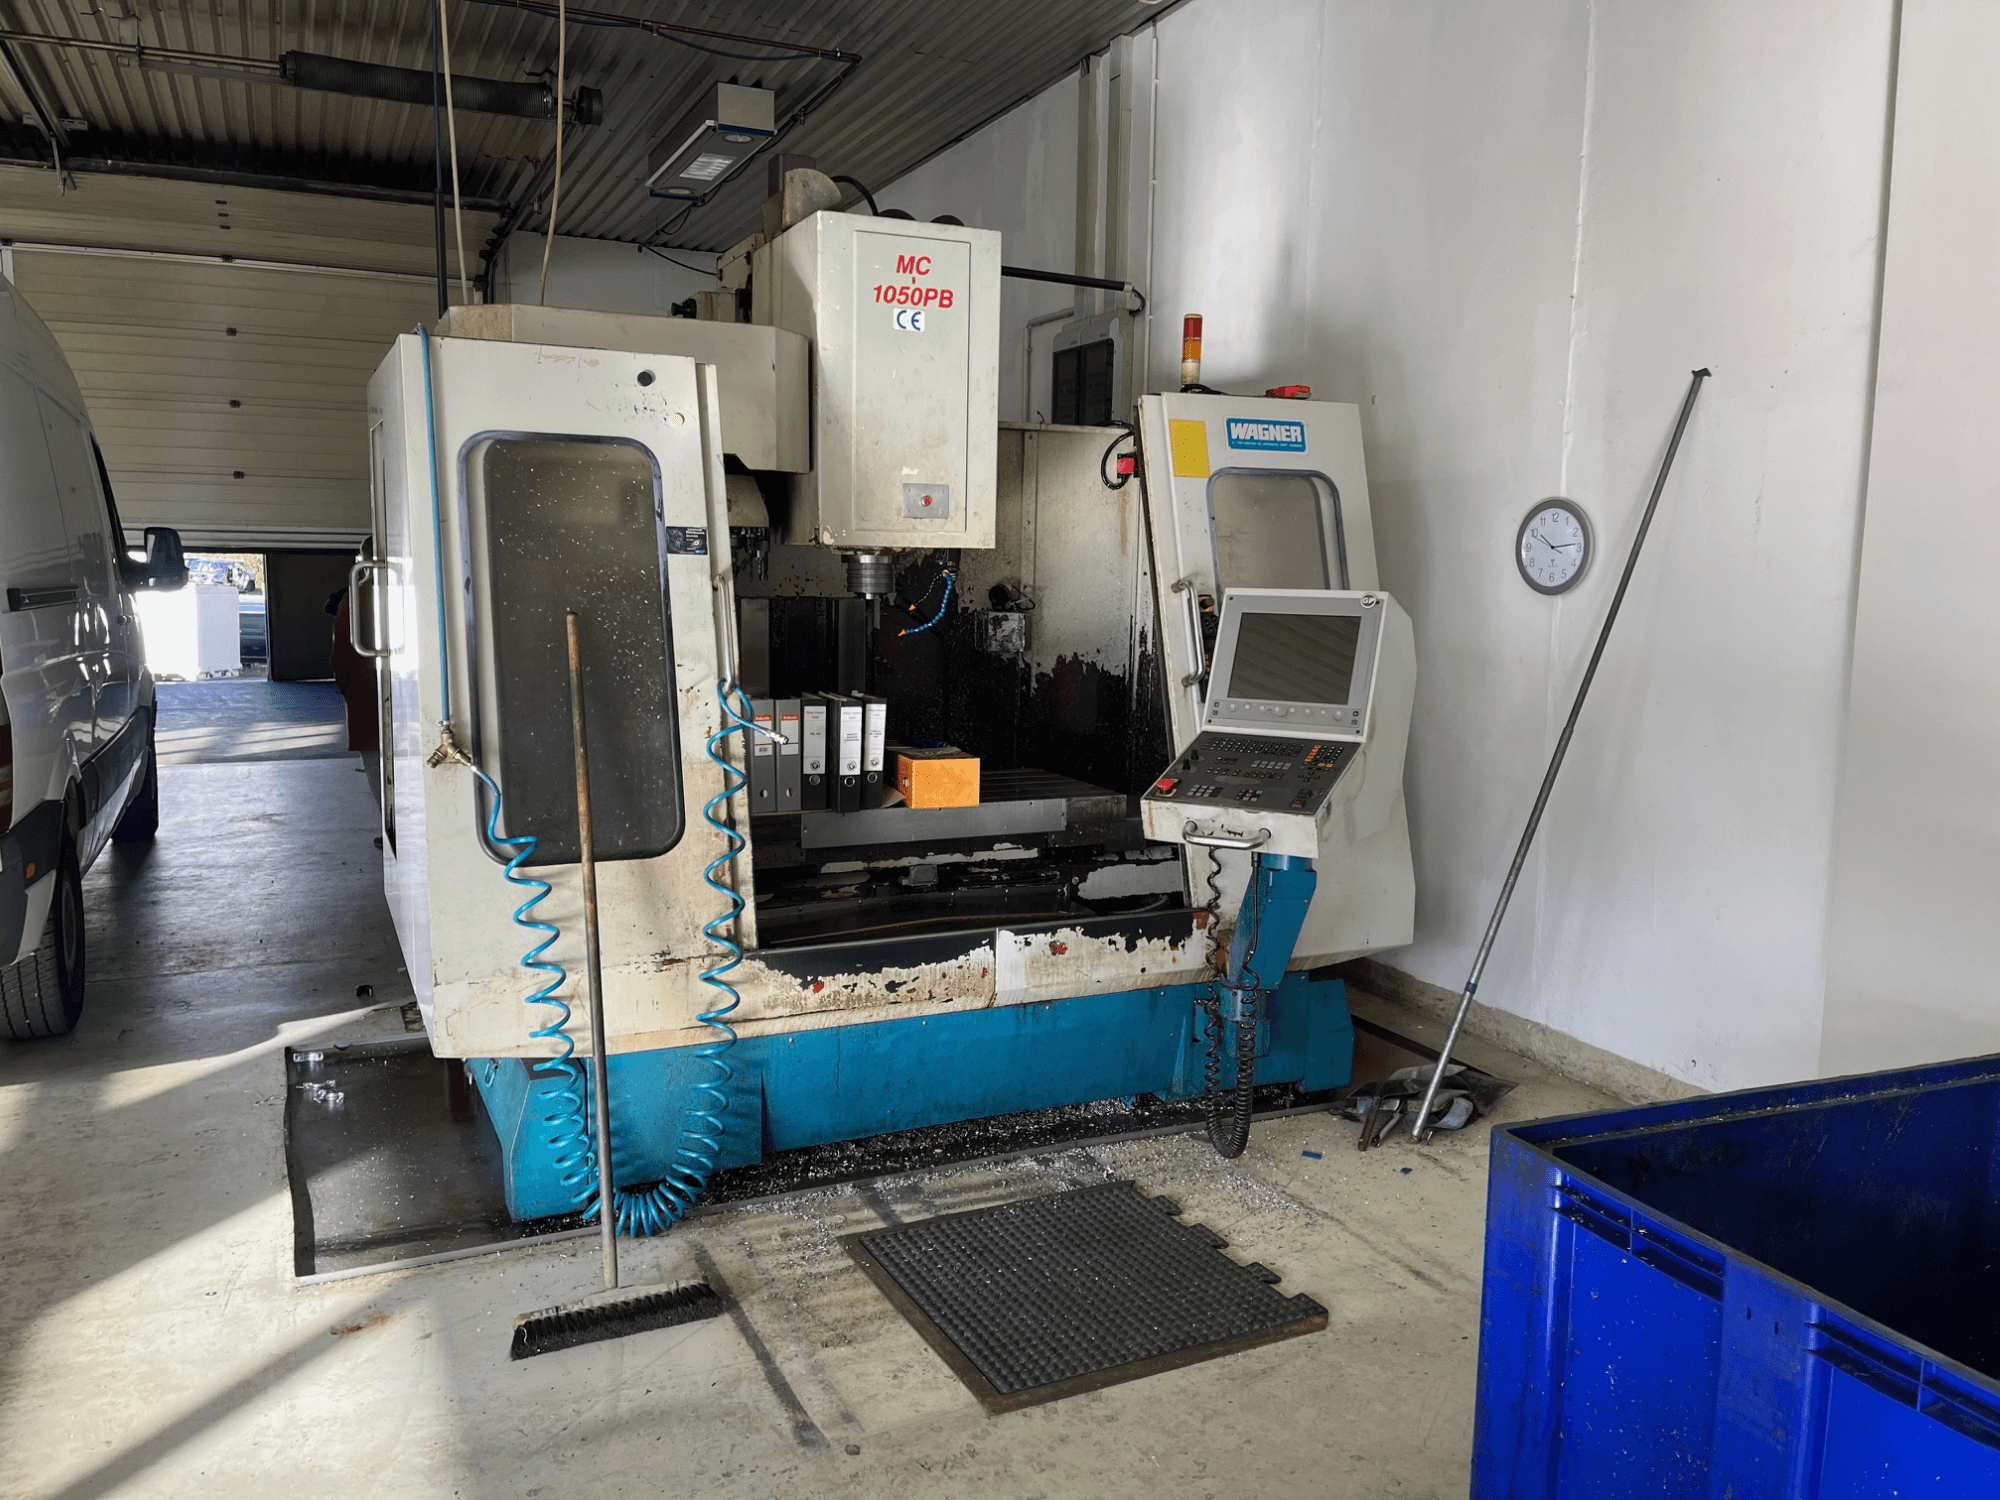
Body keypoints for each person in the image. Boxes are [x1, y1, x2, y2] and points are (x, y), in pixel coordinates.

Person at [328, 546, 382, 822]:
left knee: (374, 761)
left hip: (365, 688)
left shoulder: (354, 598)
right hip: (395, 690)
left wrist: (345, 686)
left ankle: (390, 825)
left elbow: (343, 654)